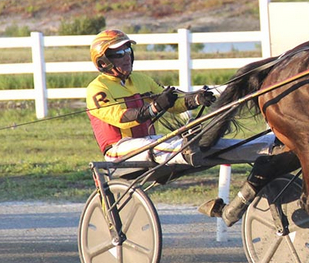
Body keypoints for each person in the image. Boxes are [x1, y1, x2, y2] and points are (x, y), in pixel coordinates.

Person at [85, 29, 277, 168]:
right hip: (120, 149)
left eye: (128, 51)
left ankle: (269, 145)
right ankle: (187, 148)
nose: (126, 57)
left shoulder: (141, 80)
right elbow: (120, 116)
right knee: (178, 145)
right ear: (103, 62)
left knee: (208, 144)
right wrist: (154, 108)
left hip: (150, 141)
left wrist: (195, 99)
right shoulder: (97, 89)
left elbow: (174, 101)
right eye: (119, 54)